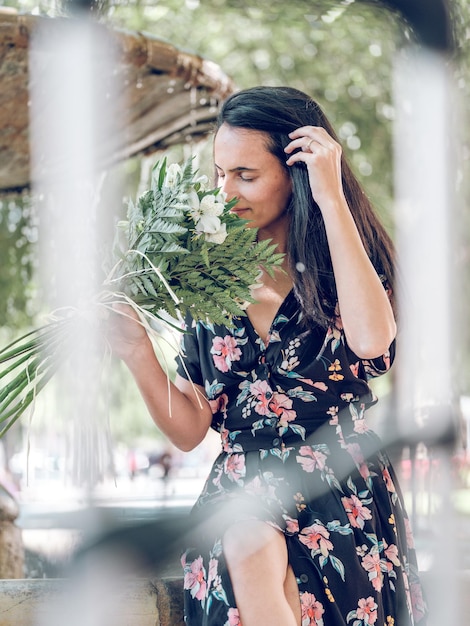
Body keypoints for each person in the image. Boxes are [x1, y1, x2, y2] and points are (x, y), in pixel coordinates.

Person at [111, 86, 427, 626]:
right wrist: (138, 351)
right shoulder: (201, 271)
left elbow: (374, 343)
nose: (224, 192)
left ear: (296, 171)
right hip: (242, 488)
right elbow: (191, 428)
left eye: (246, 175)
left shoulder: (348, 256)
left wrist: (331, 198)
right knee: (246, 544)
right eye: (220, 173)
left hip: (340, 491)